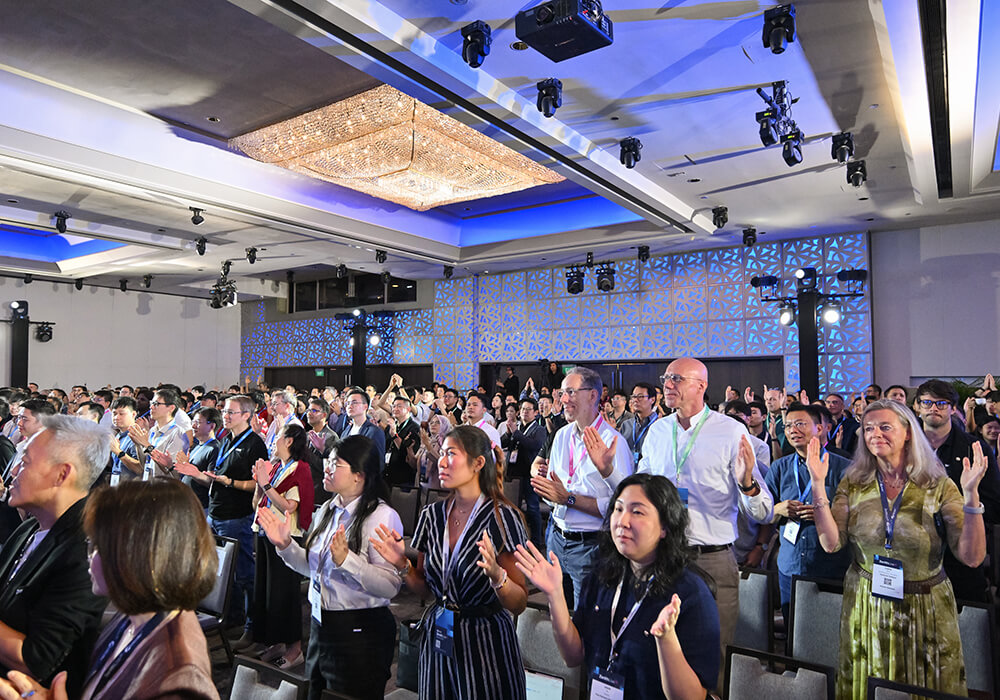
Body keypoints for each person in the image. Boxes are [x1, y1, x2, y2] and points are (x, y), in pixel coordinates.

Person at [807, 399, 987, 699]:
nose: (874, 434)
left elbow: (972, 557)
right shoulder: (854, 482)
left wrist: (971, 497)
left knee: (924, 688)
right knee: (870, 683)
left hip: (925, 607)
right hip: (867, 603)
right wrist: (817, 484)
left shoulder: (937, 485)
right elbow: (831, 543)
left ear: (908, 433)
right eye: (868, 428)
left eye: (885, 427)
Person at [0, 479, 219, 700]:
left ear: (137, 554)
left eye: (97, 545)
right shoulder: (135, 617)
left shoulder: (177, 679)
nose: (89, 556)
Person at [514, 474, 720, 700]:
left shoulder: (691, 594)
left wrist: (666, 638)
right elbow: (573, 656)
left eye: (637, 512)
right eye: (618, 509)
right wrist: (555, 595)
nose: (622, 521)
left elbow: (691, 697)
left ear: (665, 527)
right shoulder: (602, 575)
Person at [637, 358, 772, 686]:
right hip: (662, 558)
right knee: (656, 650)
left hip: (711, 560)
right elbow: (640, 488)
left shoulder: (730, 431)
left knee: (713, 657)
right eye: (666, 378)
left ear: (701, 386)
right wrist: (611, 472)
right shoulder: (658, 431)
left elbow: (763, 512)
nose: (668, 385)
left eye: (677, 379)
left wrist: (746, 483)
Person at [372, 425, 529, 700]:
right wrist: (402, 564)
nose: (441, 462)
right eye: (442, 454)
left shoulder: (502, 517)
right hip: (440, 634)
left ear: (478, 463)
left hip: (486, 640)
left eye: (451, 454)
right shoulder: (432, 515)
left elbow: (519, 603)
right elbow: (426, 589)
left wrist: (498, 577)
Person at [0, 416, 109, 698]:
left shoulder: (86, 552)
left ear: (62, 474)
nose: (14, 472)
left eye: (25, 463)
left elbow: (36, 659)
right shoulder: (30, 527)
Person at [531, 367, 634, 608]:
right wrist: (549, 492)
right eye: (562, 393)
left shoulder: (612, 442)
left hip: (591, 545)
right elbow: (555, 492)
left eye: (570, 392)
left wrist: (568, 498)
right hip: (556, 538)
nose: (563, 399)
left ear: (592, 395)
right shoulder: (562, 436)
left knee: (586, 620)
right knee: (558, 613)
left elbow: (620, 506)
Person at [173, 395, 267, 645]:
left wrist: (231, 482)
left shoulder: (254, 444)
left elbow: (259, 485)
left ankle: (252, 628)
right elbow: (214, 479)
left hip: (237, 515)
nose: (225, 416)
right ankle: (232, 619)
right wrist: (196, 473)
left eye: (231, 412)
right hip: (216, 512)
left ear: (246, 415)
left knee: (244, 574)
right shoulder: (226, 440)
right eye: (224, 411)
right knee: (223, 573)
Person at [913, 379, 1000, 602]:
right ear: (917, 407)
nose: (933, 408)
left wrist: (963, 506)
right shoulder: (904, 449)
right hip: (913, 550)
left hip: (961, 550)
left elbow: (994, 505)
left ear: (953, 409)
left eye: (941, 403)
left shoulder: (974, 449)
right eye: (927, 403)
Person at [764, 403, 852, 622]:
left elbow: (855, 518)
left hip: (831, 565)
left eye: (800, 424)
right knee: (793, 628)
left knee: (828, 629)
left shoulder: (845, 468)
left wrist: (823, 515)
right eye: (788, 425)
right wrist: (779, 509)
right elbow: (762, 515)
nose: (792, 430)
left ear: (819, 428)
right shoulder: (780, 467)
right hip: (790, 564)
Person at [249, 423, 314, 666]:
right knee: (267, 592)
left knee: (284, 593)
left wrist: (266, 484)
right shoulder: (277, 466)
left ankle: (295, 649)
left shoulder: (300, 469)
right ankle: (275, 642)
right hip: (265, 530)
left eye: (277, 436)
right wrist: (259, 483)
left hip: (286, 537)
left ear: (289, 441)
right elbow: (257, 503)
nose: (273, 440)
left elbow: (289, 506)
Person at [501, 398, 546, 549]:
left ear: (536, 412)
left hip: (529, 474)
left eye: (528, 409)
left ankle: (536, 542)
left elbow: (534, 445)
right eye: (523, 409)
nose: (524, 412)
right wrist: (509, 434)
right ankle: (516, 540)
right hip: (514, 473)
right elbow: (503, 443)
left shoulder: (539, 429)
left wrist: (516, 433)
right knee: (513, 507)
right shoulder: (518, 427)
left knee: (532, 508)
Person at [417, 414, 451, 488]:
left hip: (436, 485)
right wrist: (409, 450)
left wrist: (428, 446)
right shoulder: (427, 440)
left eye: (438, 422)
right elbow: (416, 464)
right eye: (431, 422)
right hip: (421, 484)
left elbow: (442, 463)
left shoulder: (446, 442)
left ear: (444, 425)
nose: (433, 424)